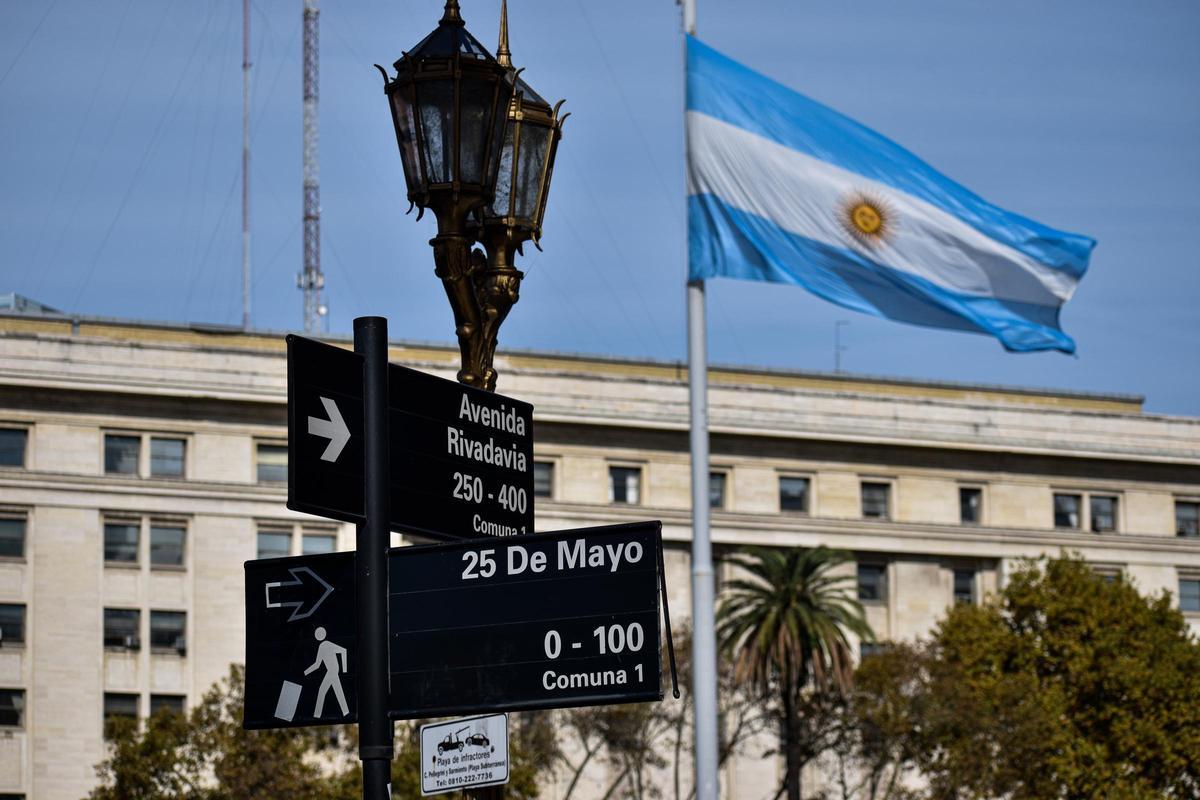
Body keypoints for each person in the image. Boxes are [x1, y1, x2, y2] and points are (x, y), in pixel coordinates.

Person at [304, 626, 349, 717]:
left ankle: (317, 715)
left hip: (333, 671)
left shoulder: (327, 644)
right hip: (332, 671)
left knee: (322, 691)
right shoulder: (322, 646)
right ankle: (345, 712)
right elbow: (317, 664)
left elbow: (343, 651)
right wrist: (306, 672)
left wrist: (344, 669)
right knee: (337, 691)